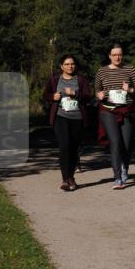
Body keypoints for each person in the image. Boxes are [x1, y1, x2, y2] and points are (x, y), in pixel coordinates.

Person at [94, 44, 135, 189]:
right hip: (108, 111)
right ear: (109, 56)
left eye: (120, 54)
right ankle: (117, 178)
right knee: (115, 142)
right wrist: (99, 95)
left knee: (126, 144)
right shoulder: (102, 71)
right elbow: (97, 91)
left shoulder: (130, 69)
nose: (117, 57)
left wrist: (130, 89)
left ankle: (124, 168)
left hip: (126, 110)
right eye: (114, 54)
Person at [43, 54, 92, 192]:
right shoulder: (54, 80)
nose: (70, 66)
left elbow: (88, 96)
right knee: (64, 146)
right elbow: (45, 95)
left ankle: (71, 176)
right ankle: (66, 179)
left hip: (77, 117)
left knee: (73, 148)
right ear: (61, 66)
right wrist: (53, 97)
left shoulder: (81, 80)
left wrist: (75, 94)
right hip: (60, 117)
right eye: (67, 64)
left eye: (72, 64)